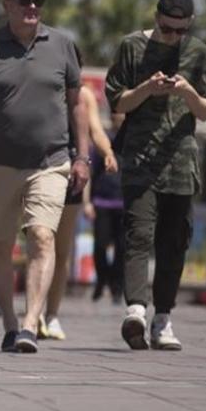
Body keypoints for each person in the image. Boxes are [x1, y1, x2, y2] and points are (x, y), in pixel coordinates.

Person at [0, 0, 89, 354]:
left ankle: (32, 323)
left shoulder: (63, 45)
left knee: (42, 237)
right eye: (24, 1)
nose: (33, 7)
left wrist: (82, 157)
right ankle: (9, 322)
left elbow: (78, 104)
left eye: (38, 1)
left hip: (51, 161)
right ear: (8, 6)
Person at [105, 0, 206, 350]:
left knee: (173, 244)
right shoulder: (131, 47)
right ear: (156, 18)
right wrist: (146, 89)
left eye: (181, 31)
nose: (174, 37)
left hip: (181, 163)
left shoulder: (199, 53)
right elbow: (118, 101)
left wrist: (186, 92)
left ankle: (163, 319)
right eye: (168, 30)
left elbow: (205, 110)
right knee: (138, 234)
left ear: (191, 25)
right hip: (140, 160)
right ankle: (136, 310)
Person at [41, 55, 117, 341]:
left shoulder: (84, 94)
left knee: (61, 250)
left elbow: (96, 129)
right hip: (40, 169)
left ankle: (52, 315)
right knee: (40, 241)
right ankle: (34, 313)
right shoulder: (42, 88)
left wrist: (107, 152)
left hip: (70, 173)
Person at [87, 114, 125, 303]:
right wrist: (87, 202)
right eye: (117, 116)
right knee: (100, 245)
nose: (120, 119)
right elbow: (90, 171)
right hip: (102, 201)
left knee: (122, 247)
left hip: (124, 203)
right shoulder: (103, 142)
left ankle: (117, 286)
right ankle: (102, 279)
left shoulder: (132, 141)